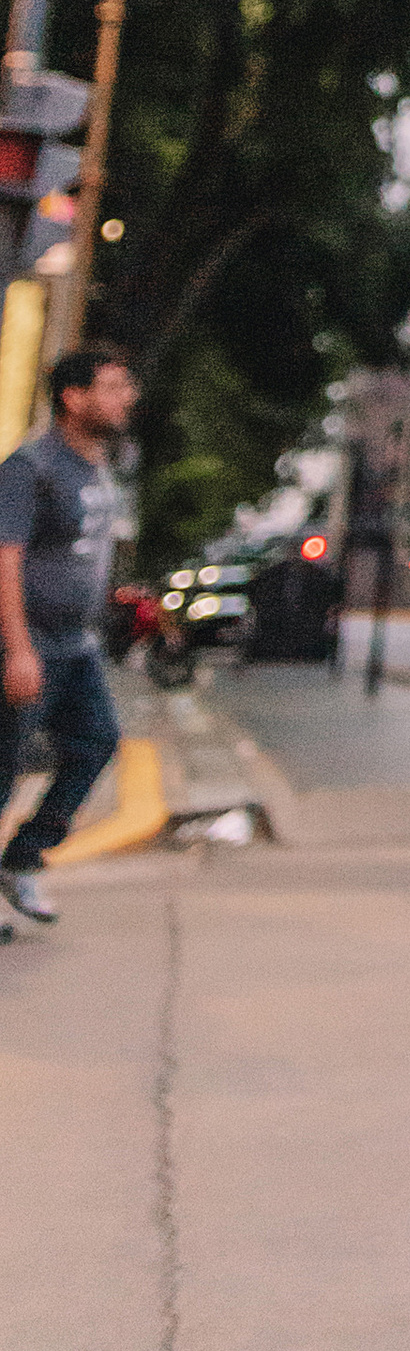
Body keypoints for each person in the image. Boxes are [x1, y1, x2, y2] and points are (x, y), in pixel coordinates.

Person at [0, 346, 140, 924]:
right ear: (73, 397)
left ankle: (23, 858)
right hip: (30, 646)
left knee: (96, 743)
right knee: (2, 770)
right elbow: (5, 558)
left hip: (77, 646)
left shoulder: (101, 467)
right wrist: (17, 648)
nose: (125, 397)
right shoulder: (30, 467)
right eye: (111, 387)